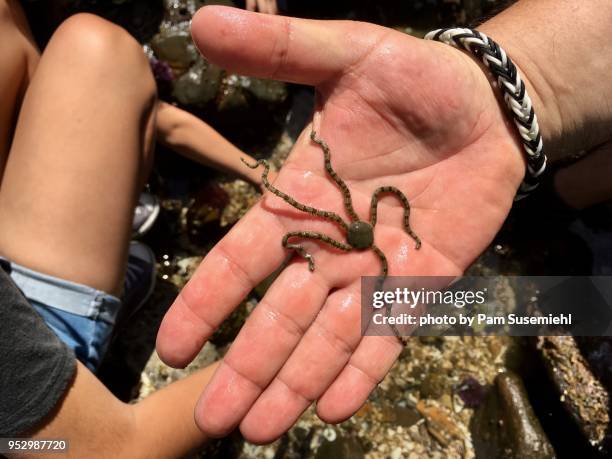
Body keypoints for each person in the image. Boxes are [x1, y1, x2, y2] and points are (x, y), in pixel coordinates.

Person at [156, 0, 612, 445]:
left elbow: (381, 204)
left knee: (318, 217)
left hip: (371, 229)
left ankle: (553, 203)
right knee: (315, 212)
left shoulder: (367, 239)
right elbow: (344, 205)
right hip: (370, 225)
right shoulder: (364, 236)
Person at [0, 1, 243, 455]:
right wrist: (355, 320)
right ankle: (88, 325)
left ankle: (116, 263)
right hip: (26, 401)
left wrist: (265, 174)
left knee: (92, 44)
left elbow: (161, 119)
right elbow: (107, 449)